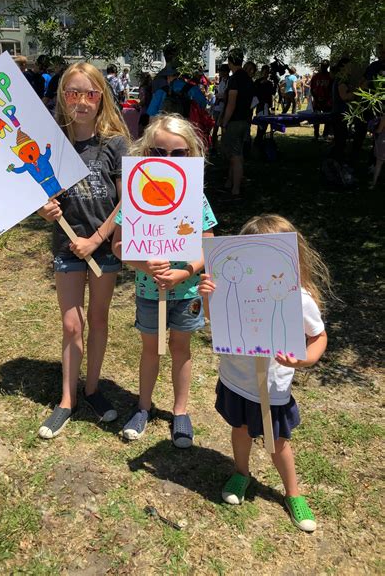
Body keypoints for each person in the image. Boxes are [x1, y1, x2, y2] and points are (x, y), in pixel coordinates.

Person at [199, 214, 329, 532]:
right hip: (237, 380)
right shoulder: (230, 287)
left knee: (278, 442)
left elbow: (318, 336)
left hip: (272, 388)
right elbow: (217, 321)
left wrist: (304, 360)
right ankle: (241, 472)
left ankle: (293, 494)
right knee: (240, 430)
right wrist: (207, 297)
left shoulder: (298, 298)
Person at [36, 62, 130, 439]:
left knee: (99, 319)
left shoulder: (115, 143)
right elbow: (41, 191)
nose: (81, 101)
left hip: (102, 250)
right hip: (65, 245)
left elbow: (127, 202)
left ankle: (92, 389)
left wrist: (97, 239)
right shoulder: (52, 141)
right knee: (71, 324)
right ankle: (67, 399)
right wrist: (44, 209)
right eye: (72, 93)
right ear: (62, 97)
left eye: (89, 93)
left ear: (101, 97)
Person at [111, 114, 217, 447]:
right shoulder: (133, 197)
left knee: (180, 350)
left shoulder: (195, 198)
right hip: (148, 291)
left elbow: (208, 245)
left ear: (192, 156)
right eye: (158, 152)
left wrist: (186, 271)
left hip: (186, 293)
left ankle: (181, 412)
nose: (167, 161)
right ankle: (143, 407)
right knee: (150, 350)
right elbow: (117, 245)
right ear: (145, 154)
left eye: (178, 154)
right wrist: (144, 265)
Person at [220, 49, 254, 199]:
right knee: (237, 153)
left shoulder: (235, 80)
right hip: (245, 120)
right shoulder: (248, 78)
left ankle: (235, 189)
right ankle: (230, 182)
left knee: (235, 156)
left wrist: (225, 121)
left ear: (230, 61)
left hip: (235, 121)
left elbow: (231, 103)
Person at [310, 60, 333, 139]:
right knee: (316, 118)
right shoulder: (315, 76)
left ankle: (325, 134)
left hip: (327, 101)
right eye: (322, 65)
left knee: (327, 118)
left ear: (327, 66)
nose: (323, 67)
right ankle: (316, 134)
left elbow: (331, 90)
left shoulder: (330, 76)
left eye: (325, 66)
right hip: (317, 101)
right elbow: (312, 89)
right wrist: (316, 99)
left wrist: (326, 100)